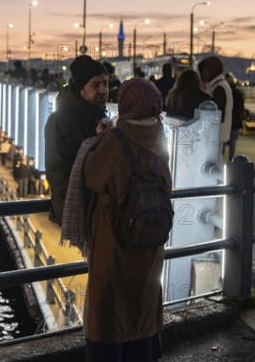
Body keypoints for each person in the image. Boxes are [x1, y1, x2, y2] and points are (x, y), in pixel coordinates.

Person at [83, 78, 171, 362]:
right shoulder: (160, 138)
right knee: (143, 307)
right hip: (148, 243)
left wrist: (99, 139)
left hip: (115, 241)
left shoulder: (116, 139)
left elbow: (92, 176)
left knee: (109, 312)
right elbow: (165, 185)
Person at [45, 55, 109, 225]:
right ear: (81, 88)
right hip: (77, 209)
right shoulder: (59, 121)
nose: (103, 90)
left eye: (105, 83)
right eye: (96, 85)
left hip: (99, 207)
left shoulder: (99, 115)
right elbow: (57, 173)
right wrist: (88, 201)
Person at [198, 56, 233, 151]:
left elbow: (218, 115)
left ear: (214, 71)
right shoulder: (218, 85)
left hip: (216, 137)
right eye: (203, 71)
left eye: (207, 70)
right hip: (217, 136)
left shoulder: (219, 88)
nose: (204, 73)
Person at [225, 72, 246, 160]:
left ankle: (225, 158)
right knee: (232, 141)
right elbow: (241, 106)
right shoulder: (238, 91)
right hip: (235, 120)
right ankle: (231, 159)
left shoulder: (227, 91)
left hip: (228, 119)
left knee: (224, 140)